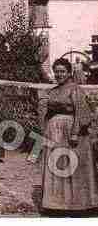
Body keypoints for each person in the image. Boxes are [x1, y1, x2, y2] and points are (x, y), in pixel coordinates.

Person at [37, 58, 98, 216]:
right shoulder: (53, 90)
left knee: (74, 166)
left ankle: (78, 204)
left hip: (71, 132)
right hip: (54, 133)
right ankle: (57, 203)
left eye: (62, 71)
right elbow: (45, 111)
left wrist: (75, 132)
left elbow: (81, 112)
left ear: (69, 72)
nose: (59, 74)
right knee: (57, 164)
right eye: (57, 71)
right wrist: (44, 130)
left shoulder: (75, 89)